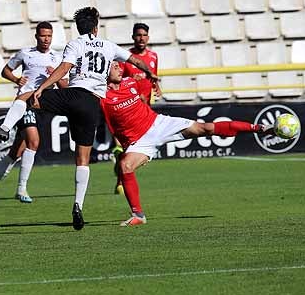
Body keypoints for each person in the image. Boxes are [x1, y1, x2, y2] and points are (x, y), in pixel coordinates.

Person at [0, 7, 159, 230]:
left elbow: (64, 67)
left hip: (73, 94)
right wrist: (151, 74)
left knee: (28, 95)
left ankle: (6, 126)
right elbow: (136, 61)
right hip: (92, 104)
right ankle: (78, 205)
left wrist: (43, 87)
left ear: (78, 28)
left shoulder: (75, 44)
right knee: (83, 158)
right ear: (96, 27)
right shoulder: (108, 45)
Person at [103, 61, 275, 227]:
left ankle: (261, 128)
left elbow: (149, 89)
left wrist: (154, 84)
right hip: (139, 141)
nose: (120, 68)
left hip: (158, 124)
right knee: (126, 166)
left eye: (119, 65)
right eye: (114, 66)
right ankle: (138, 215)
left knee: (206, 128)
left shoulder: (131, 81)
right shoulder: (100, 95)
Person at [0, 21, 66, 207]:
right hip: (25, 103)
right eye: (43, 35)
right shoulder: (25, 53)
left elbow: (64, 86)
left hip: (43, 106)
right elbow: (5, 71)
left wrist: (55, 76)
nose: (46, 39)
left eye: (49, 36)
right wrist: (17, 79)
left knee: (15, 153)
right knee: (34, 142)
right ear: (36, 36)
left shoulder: (57, 58)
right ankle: (21, 188)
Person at [114, 21, 158, 193]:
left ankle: (121, 170)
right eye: (138, 35)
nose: (141, 38)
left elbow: (153, 77)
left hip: (146, 108)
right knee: (130, 147)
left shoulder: (153, 56)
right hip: (129, 108)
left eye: (144, 35)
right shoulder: (126, 58)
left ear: (148, 37)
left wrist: (156, 87)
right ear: (133, 37)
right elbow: (119, 82)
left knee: (134, 149)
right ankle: (121, 181)